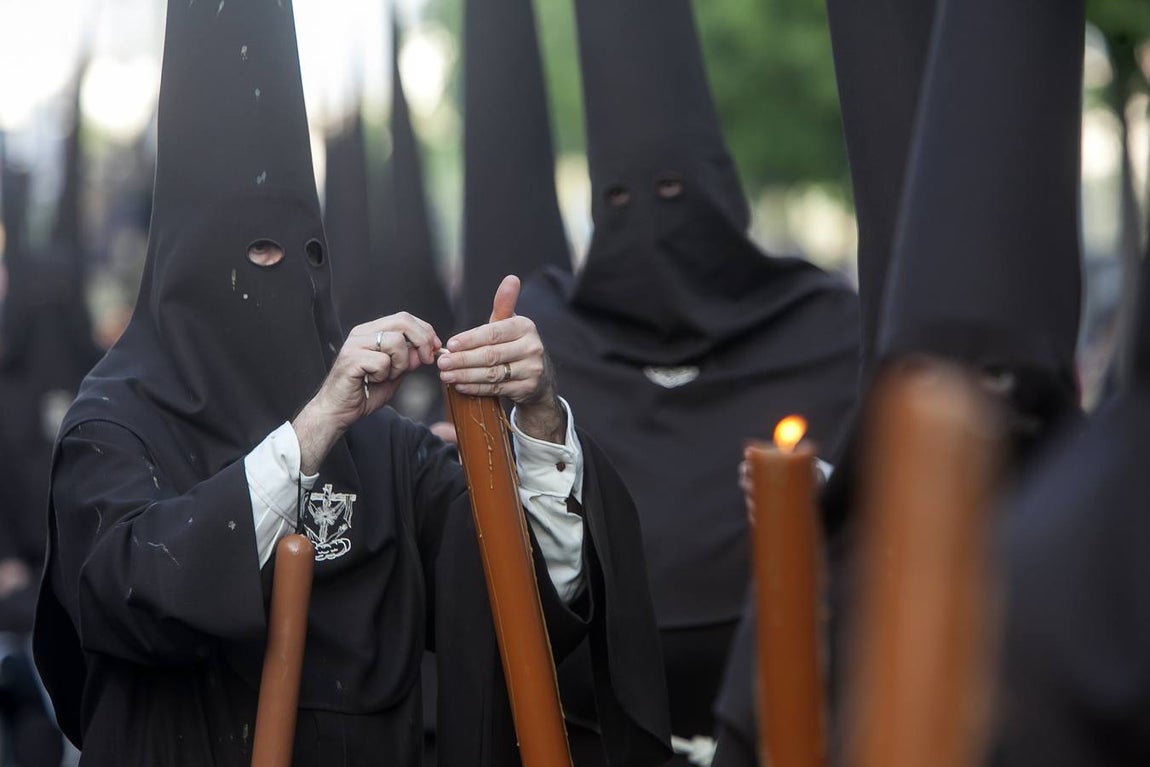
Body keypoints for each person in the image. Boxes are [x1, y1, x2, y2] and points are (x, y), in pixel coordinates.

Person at [32, 2, 670, 765]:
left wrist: (534, 423)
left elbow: (529, 607)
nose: (290, 278)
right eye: (260, 251)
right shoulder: (117, 423)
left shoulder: (387, 451)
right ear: (187, 265)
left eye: (311, 253)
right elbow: (125, 594)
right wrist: (309, 432)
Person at [711, 0, 1086, 762]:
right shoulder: (827, 574)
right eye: (922, 374)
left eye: (993, 374)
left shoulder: (1104, 553)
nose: (958, 419)